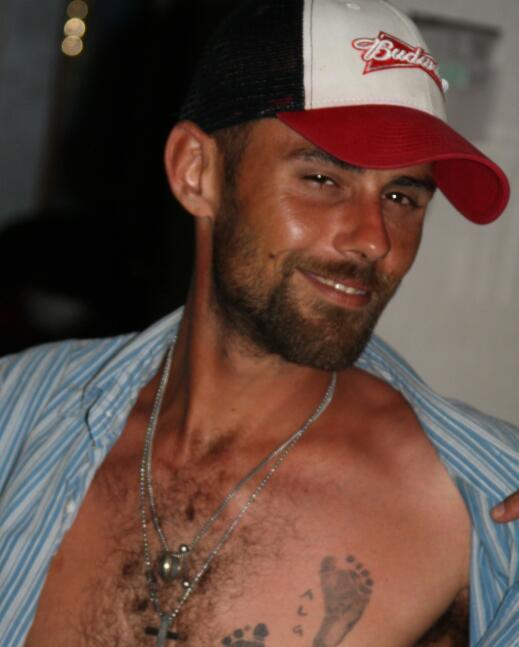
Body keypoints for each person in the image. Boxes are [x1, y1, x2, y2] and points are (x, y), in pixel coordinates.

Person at [1, 1, 518, 645]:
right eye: (323, 179)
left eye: (401, 196)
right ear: (197, 172)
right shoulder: (20, 415)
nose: (374, 239)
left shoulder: (485, 509)